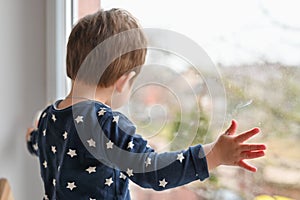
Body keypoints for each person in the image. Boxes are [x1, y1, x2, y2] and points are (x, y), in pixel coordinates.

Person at [26, 8, 266, 200]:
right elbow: (152, 171)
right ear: (124, 81)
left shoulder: (50, 116)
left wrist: (31, 137)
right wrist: (213, 156)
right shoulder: (104, 123)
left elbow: (40, 143)